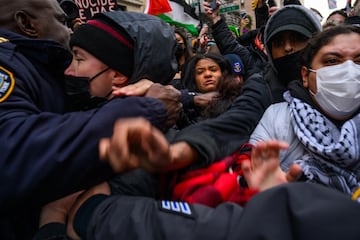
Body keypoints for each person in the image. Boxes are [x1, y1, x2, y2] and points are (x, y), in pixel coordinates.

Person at [0, 0, 180, 238]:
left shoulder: (154, 155)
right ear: (26, 23)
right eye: (62, 21)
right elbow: (14, 151)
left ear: (117, 76)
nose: (68, 30)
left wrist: (52, 221)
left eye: (79, 58)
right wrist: (146, 108)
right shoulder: (14, 65)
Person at [250, 25, 360, 195]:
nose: (349, 71)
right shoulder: (277, 119)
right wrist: (267, 195)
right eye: (332, 61)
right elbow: (251, 171)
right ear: (305, 76)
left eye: (358, 61)